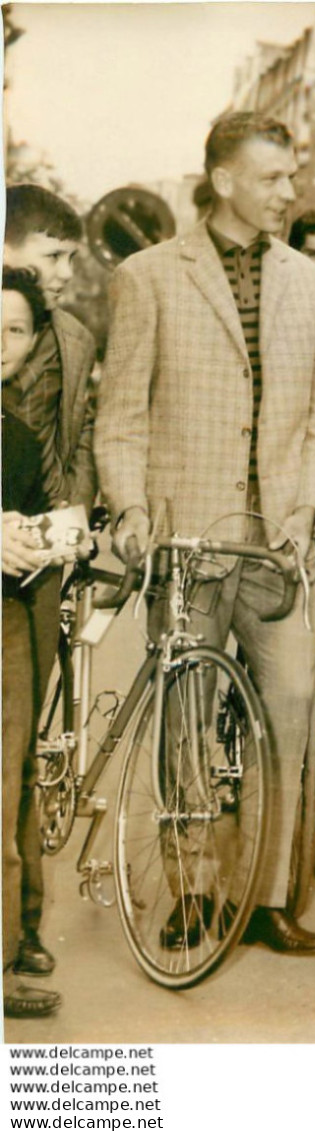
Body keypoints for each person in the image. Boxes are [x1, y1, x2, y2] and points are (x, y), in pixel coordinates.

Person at [96, 111, 315, 956]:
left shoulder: (310, 283)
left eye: (290, 176)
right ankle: (195, 887)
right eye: (273, 177)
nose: (288, 192)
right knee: (186, 719)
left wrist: (305, 511)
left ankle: (267, 896)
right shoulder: (149, 276)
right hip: (187, 540)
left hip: (278, 545)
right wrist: (131, 509)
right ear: (225, 179)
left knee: (292, 709)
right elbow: (120, 417)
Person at [2, 183, 101, 982]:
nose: (66, 271)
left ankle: (21, 923)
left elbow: (80, 437)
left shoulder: (70, 335)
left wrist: (74, 525)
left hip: (37, 571)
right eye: (53, 255)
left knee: (27, 745)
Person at [1, 268, 63, 1018]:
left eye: (15, 330)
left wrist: (58, 532)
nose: (1, 343)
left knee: (8, 787)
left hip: (8, 620)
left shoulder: (17, 436)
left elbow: (36, 512)